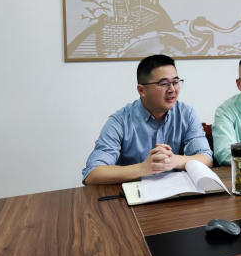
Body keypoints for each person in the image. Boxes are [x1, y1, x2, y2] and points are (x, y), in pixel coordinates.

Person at [82, 55, 212, 185]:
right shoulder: (120, 121)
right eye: (164, 84)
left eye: (175, 82)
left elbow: (206, 158)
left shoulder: (186, 114)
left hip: (176, 191)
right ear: (141, 90)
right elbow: (92, 174)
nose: (172, 89)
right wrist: (143, 168)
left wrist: (174, 161)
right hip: (133, 193)